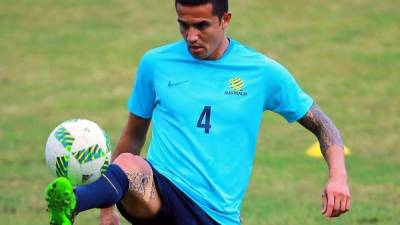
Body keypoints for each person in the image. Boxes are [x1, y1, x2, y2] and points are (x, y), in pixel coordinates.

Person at [45, 0, 351, 224]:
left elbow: (324, 126)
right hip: (159, 189)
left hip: (215, 212)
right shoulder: (155, 64)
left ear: (225, 19)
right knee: (128, 163)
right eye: (184, 24)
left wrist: (337, 177)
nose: (191, 35)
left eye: (201, 25)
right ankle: (73, 204)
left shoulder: (261, 72)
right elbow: (133, 136)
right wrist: (108, 210)